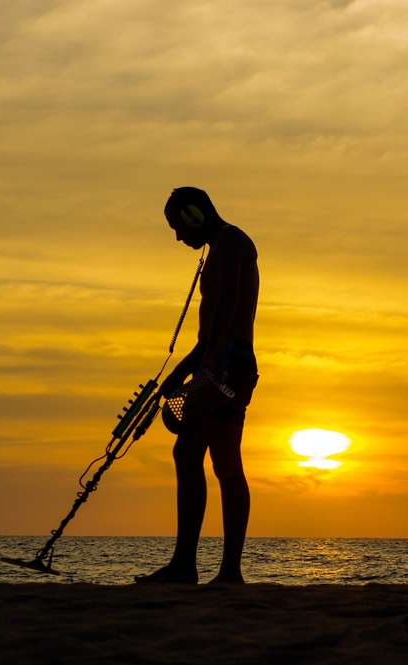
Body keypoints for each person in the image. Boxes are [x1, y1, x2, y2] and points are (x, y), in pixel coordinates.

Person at [135, 187, 260, 585]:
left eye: (178, 226)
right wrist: (178, 374)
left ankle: (186, 566)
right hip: (229, 361)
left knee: (187, 451)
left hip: (226, 364)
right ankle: (228, 574)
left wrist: (206, 367)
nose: (178, 237)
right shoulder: (221, 245)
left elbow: (227, 303)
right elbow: (208, 331)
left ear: (193, 215)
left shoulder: (230, 240)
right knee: (225, 462)